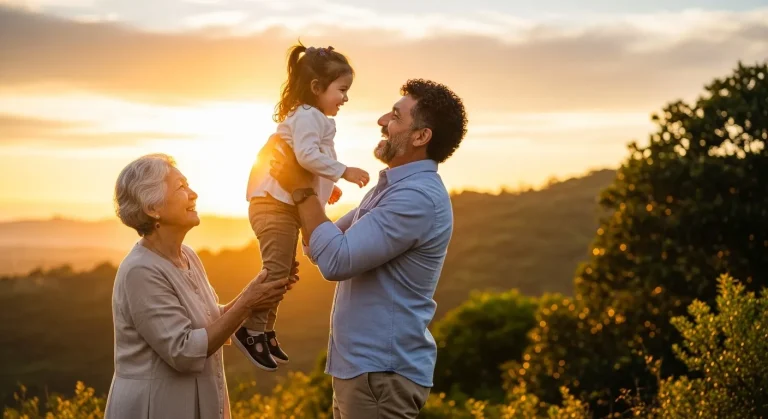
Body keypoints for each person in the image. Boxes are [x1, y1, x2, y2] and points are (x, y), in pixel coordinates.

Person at [267, 79, 468, 418]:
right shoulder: (390, 188)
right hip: (364, 372)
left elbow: (334, 260)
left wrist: (301, 188)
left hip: (380, 375)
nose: (381, 122)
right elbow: (318, 244)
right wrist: (308, 179)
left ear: (421, 137)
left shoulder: (414, 197)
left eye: (395, 116)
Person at [105, 154, 298, 419]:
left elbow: (207, 320)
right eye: (181, 187)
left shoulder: (188, 256)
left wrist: (261, 291)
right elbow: (183, 350)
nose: (193, 194)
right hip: (156, 408)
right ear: (152, 208)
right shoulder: (140, 270)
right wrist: (248, 302)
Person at [239, 43, 370, 371]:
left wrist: (329, 187)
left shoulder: (314, 118)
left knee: (282, 273)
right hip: (273, 205)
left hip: (283, 205)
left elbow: (309, 164)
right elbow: (306, 157)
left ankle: (265, 330)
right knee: (276, 272)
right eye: (341, 90)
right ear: (316, 88)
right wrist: (344, 172)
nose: (345, 98)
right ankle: (252, 330)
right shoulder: (309, 116)